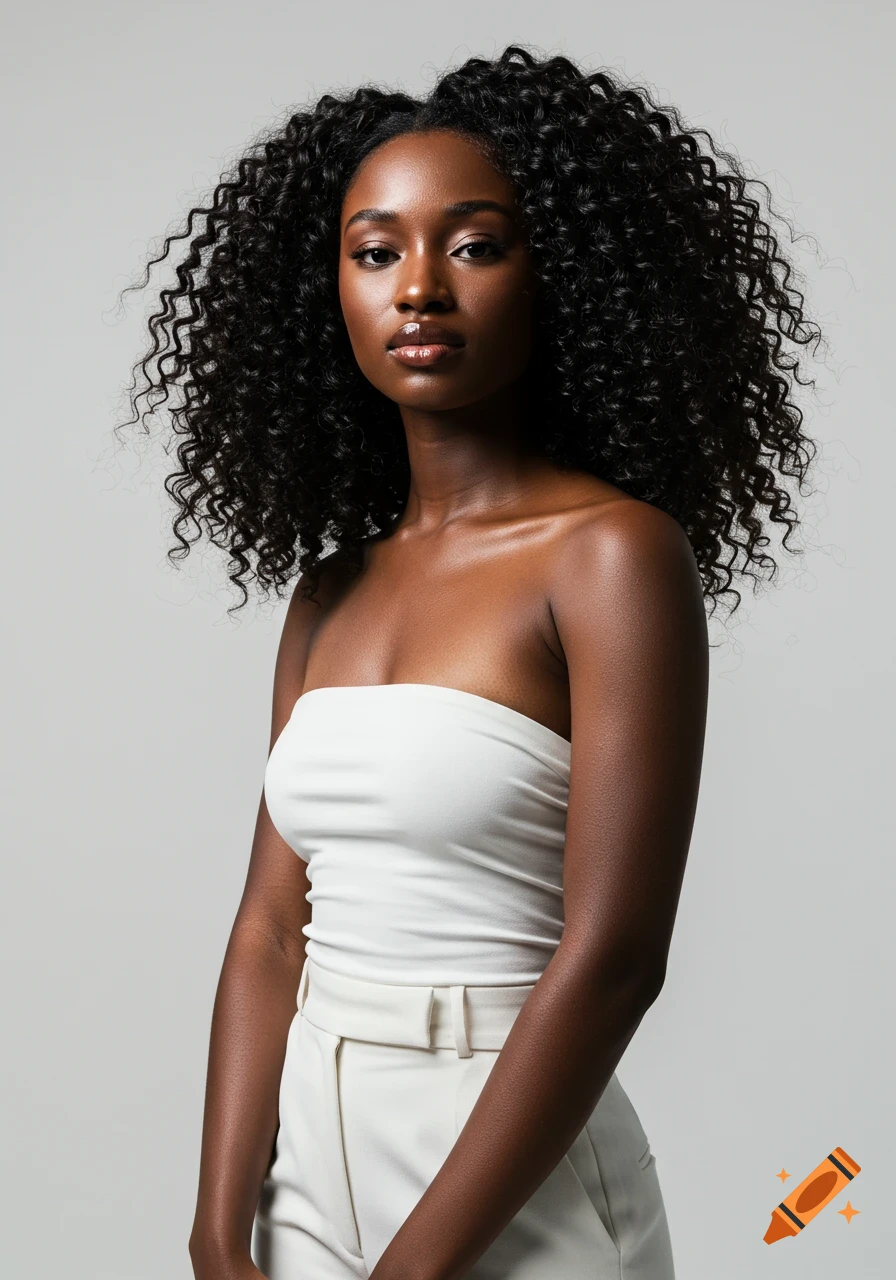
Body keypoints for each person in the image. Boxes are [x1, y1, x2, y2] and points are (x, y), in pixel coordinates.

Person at [119, 44, 822, 1280]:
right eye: (375, 250)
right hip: (305, 1150)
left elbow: (612, 958)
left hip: (511, 1155)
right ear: (326, 286)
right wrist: (215, 1228)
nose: (419, 289)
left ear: (558, 275)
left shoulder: (608, 558)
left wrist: (412, 1270)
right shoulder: (328, 591)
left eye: (475, 244)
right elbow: (270, 928)